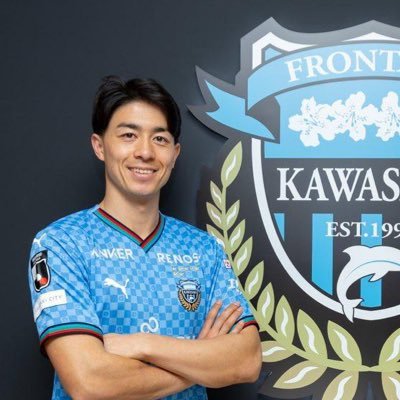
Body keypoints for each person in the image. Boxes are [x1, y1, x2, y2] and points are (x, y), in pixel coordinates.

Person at [28, 76, 262, 400]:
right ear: (99, 146)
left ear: (175, 153)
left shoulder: (204, 249)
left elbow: (246, 361)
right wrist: (200, 361)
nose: (145, 152)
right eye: (128, 135)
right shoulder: (61, 244)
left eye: (160, 139)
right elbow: (89, 382)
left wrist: (141, 344)